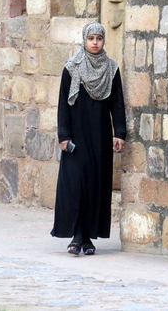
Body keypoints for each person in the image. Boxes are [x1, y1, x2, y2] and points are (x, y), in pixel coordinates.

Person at [51, 22, 126, 256]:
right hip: (76, 137)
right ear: (84, 40)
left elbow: (117, 104)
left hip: (100, 136)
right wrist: (63, 135)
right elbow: (64, 102)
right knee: (75, 185)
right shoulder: (71, 68)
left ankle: (87, 239)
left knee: (96, 185)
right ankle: (77, 235)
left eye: (99, 38)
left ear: (104, 41)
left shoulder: (111, 69)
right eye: (91, 38)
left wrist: (119, 133)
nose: (95, 42)